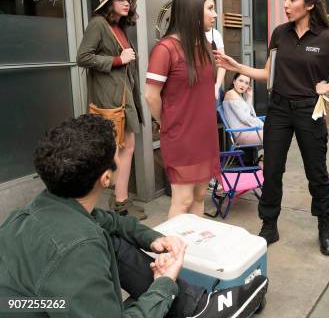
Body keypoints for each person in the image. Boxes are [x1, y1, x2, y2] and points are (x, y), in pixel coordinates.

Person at [0, 114, 268, 318]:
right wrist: (163, 285)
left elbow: (109, 221)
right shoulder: (78, 250)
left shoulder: (41, 208)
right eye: (117, 150)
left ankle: (196, 306)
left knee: (112, 237)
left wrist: (153, 239)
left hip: (34, 303)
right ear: (106, 177)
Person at [214, 0, 329, 255]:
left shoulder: (327, 38)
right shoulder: (280, 33)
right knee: (272, 169)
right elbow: (267, 74)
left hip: (310, 110)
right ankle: (269, 224)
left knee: (316, 172)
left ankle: (324, 225)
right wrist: (237, 65)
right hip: (279, 109)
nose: (285, 4)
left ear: (309, 4)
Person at [145, 0, 221, 219]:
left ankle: (193, 251)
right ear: (192, 12)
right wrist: (166, 122)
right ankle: (174, 251)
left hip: (205, 134)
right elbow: (150, 96)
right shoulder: (165, 49)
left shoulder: (205, 45)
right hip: (181, 136)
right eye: (210, 8)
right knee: (183, 199)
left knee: (199, 197)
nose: (215, 14)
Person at [76, 0, 146, 220]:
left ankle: (121, 202)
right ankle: (93, 202)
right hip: (109, 99)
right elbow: (83, 57)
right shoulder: (98, 24)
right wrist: (117, 60)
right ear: (108, 4)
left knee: (129, 147)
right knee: (112, 151)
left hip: (124, 96)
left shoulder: (119, 27)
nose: (126, 3)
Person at [223, 73, 264, 146]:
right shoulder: (231, 94)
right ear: (234, 81)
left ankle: (268, 157)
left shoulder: (239, 95)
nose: (243, 85)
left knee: (278, 134)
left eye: (246, 83)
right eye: (240, 81)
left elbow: (252, 115)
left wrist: (249, 97)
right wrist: (262, 124)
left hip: (250, 130)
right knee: (275, 136)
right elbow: (245, 119)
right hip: (242, 134)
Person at [206, 27, 227, 100]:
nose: (215, 15)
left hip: (212, 84)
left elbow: (222, 63)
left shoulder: (215, 34)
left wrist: (216, 86)